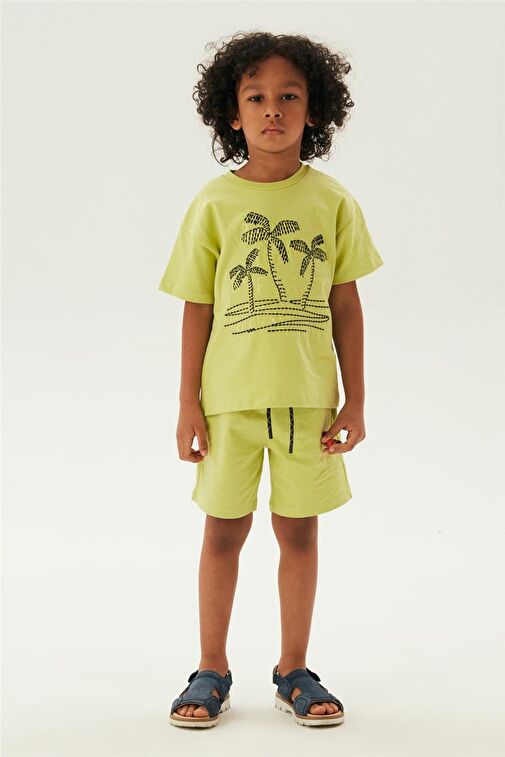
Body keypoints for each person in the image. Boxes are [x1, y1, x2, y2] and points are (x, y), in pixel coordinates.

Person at [159, 31, 384, 729]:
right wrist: (187, 403)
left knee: (299, 535)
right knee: (222, 533)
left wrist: (356, 399)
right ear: (231, 114)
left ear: (315, 110)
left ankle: (293, 669)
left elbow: (346, 303)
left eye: (289, 96)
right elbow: (198, 306)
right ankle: (210, 668)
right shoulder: (213, 204)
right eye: (255, 98)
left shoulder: (332, 201)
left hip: (307, 405)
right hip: (228, 404)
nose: (273, 110)